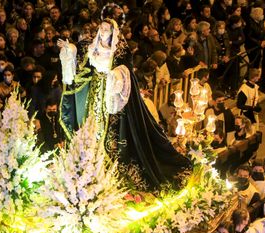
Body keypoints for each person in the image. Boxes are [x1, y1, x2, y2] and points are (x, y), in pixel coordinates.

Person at [59, 14, 190, 190]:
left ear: (114, 32)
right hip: (95, 95)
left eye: (107, 29)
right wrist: (70, 49)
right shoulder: (93, 46)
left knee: (113, 137)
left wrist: (115, 75)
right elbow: (80, 52)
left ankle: (111, 174)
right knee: (91, 130)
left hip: (112, 97)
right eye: (102, 28)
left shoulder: (120, 50)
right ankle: (92, 168)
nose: (103, 31)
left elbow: (125, 71)